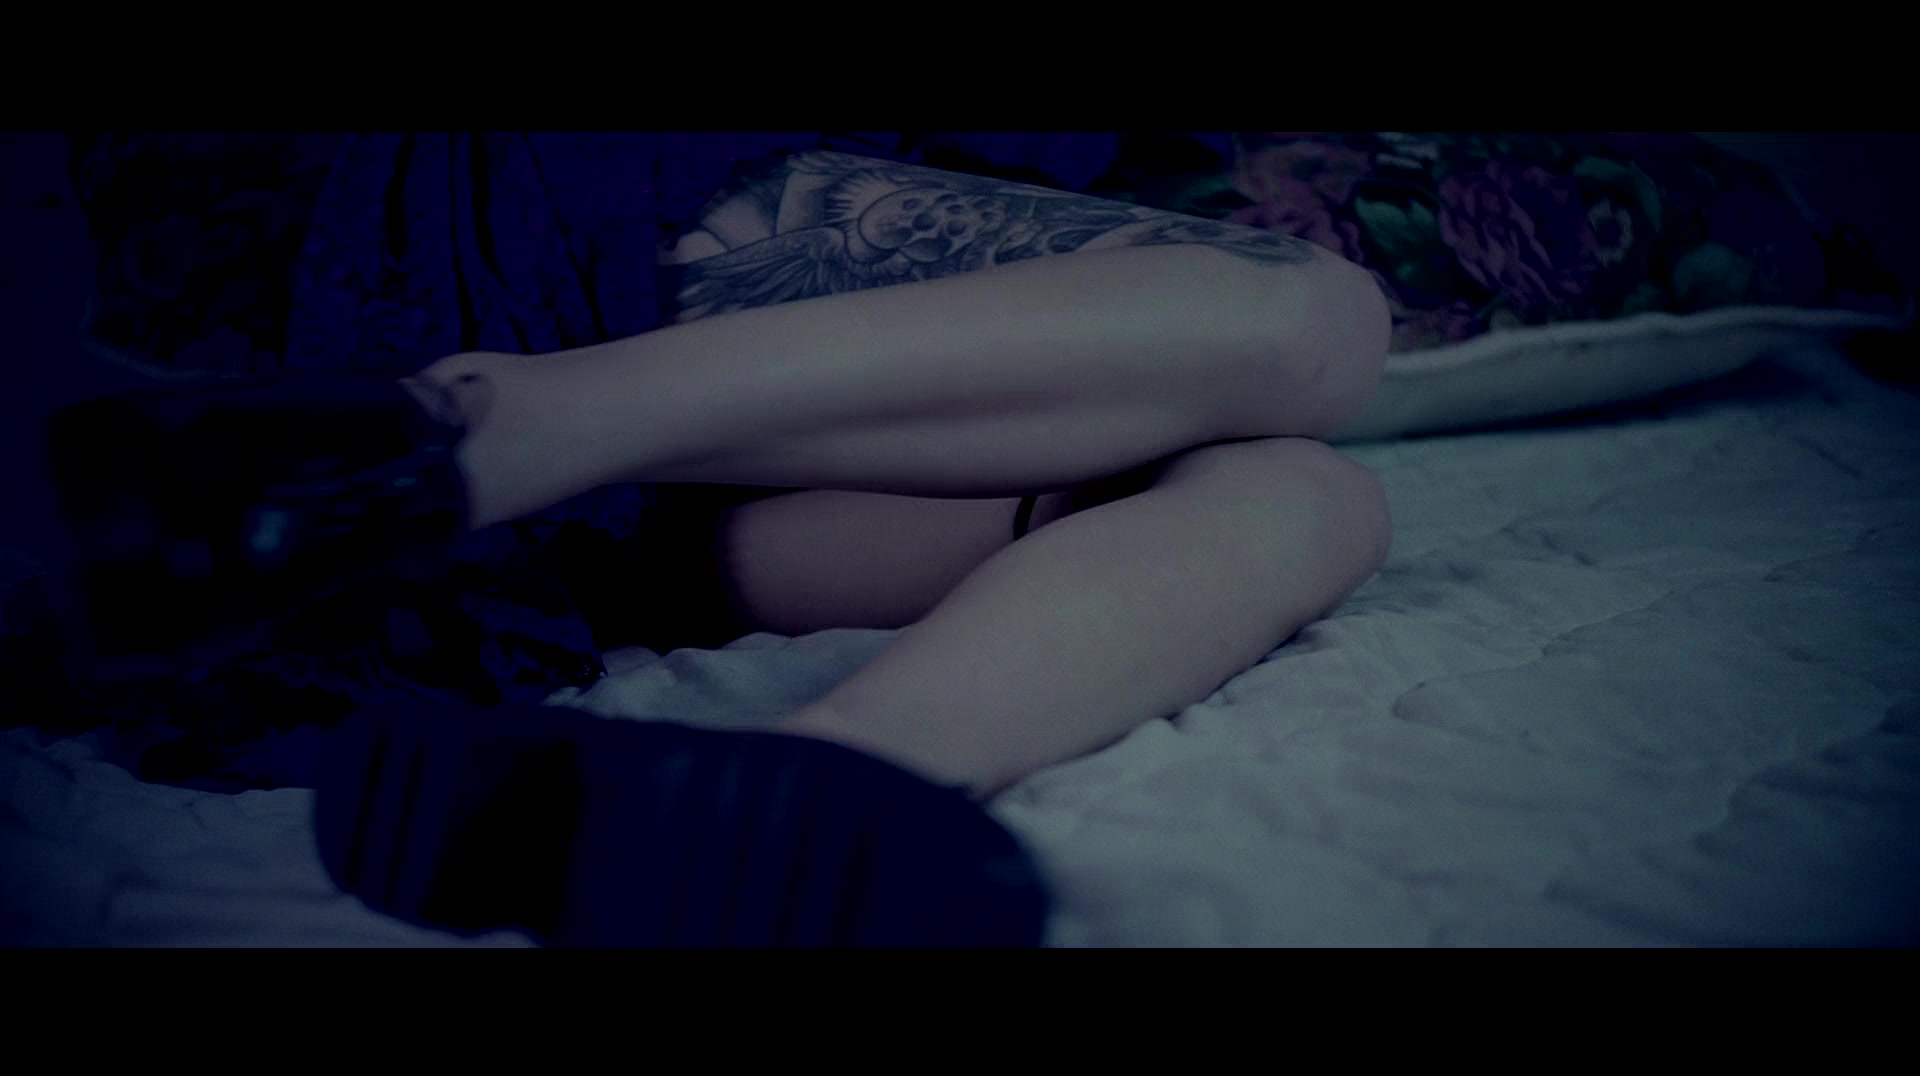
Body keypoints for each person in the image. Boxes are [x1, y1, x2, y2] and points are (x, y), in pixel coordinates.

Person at [50, 132, 1391, 946]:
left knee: (1310, 495)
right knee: (1310, 318)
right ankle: (473, 428)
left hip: (651, 495)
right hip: (492, 209)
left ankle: (821, 777)